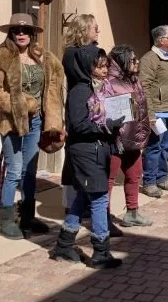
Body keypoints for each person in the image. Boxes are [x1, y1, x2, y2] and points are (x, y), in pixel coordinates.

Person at [0, 13, 65, 239]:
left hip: (37, 120)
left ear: (32, 34)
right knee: (14, 170)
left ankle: (28, 216)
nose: (21, 34)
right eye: (16, 31)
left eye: (25, 31)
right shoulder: (3, 58)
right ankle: (6, 219)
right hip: (12, 122)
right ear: (11, 34)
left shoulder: (42, 58)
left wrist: (54, 118)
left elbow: (52, 87)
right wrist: (20, 103)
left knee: (29, 170)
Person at [51, 45, 123, 268]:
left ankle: (63, 245)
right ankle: (100, 251)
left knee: (83, 196)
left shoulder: (96, 88)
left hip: (96, 150)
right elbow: (79, 125)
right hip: (85, 152)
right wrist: (107, 126)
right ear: (86, 67)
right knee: (100, 198)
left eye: (105, 66)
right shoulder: (80, 91)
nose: (104, 70)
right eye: (99, 66)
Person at [100, 45, 151, 227]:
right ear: (121, 61)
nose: (136, 62)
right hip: (116, 140)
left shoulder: (135, 80)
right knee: (109, 179)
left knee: (135, 174)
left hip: (134, 138)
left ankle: (132, 212)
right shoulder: (108, 83)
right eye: (132, 60)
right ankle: (103, 217)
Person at [139, 25, 168, 197]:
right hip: (158, 112)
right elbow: (144, 88)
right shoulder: (150, 59)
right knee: (154, 147)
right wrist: (150, 114)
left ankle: (162, 177)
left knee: (165, 147)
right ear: (161, 40)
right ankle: (149, 182)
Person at [60, 15, 99, 216]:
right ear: (84, 30)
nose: (97, 32)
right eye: (95, 28)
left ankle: (86, 199)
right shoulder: (72, 54)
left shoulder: (91, 51)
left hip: (94, 104)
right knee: (74, 156)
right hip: (79, 104)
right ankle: (72, 203)